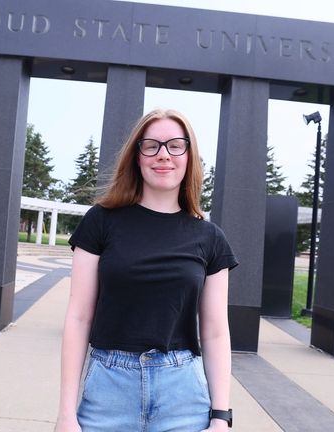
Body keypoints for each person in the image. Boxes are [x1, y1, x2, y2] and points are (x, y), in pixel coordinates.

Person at [55, 109, 238, 432]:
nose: (163, 155)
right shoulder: (100, 222)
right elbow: (79, 317)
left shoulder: (210, 238)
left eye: (175, 145)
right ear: (137, 157)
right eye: (151, 145)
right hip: (108, 391)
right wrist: (66, 414)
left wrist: (220, 417)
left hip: (183, 396)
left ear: (189, 157)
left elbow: (215, 331)